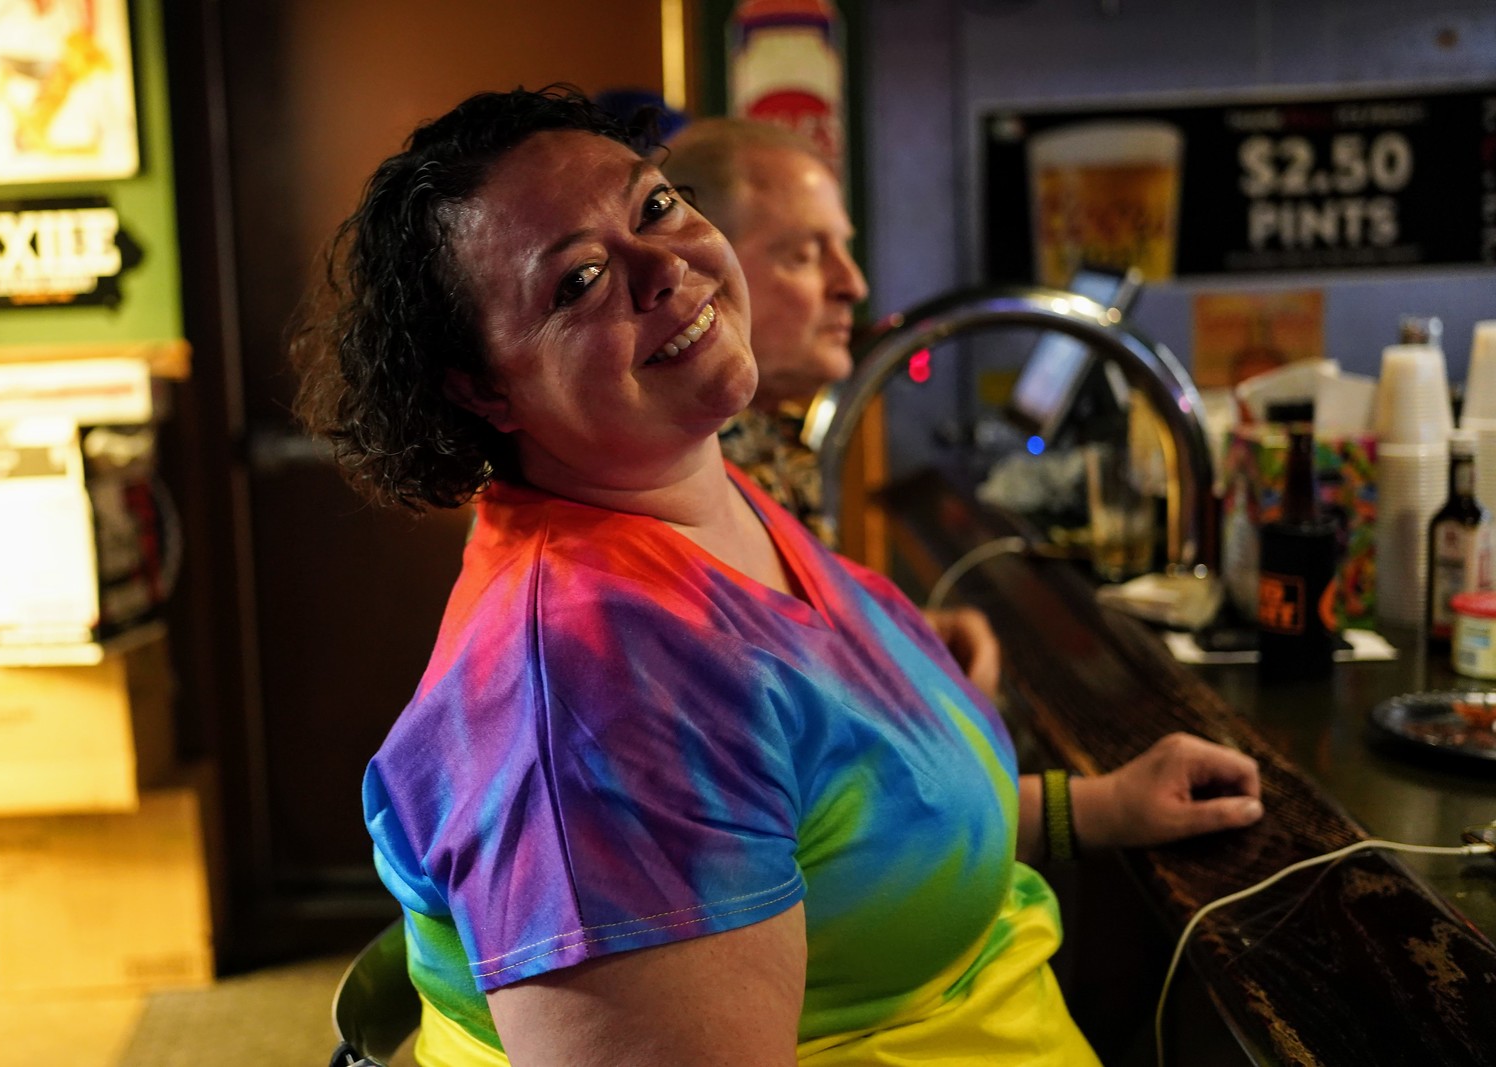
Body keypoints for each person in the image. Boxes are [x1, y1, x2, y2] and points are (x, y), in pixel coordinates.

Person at [295, 86, 1265, 1066]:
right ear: (482, 387)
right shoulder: (602, 695)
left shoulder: (705, 500)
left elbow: (843, 813)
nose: (665, 267)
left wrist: (1093, 807)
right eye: (579, 279)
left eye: (655, 205)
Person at [662, 117, 1002, 697]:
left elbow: (811, 647)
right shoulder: (684, 474)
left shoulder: (766, 433)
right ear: (699, 272)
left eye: (843, 247)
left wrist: (908, 634)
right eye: (803, 255)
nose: (853, 284)